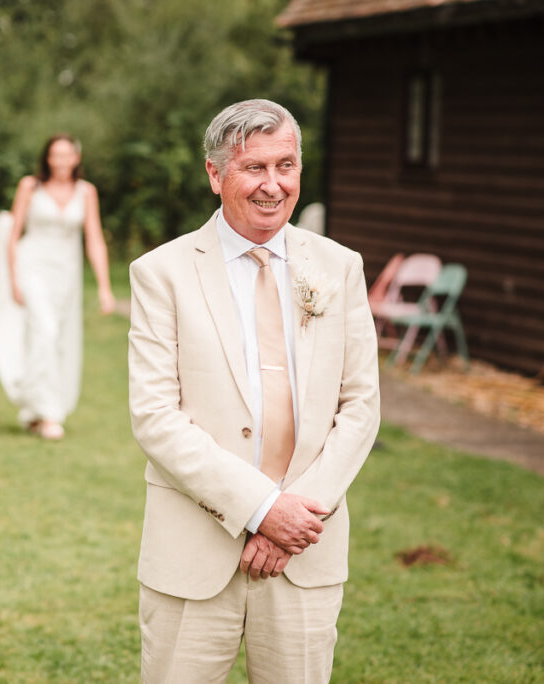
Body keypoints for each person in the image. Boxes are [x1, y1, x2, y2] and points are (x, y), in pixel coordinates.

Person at [127, 99, 380, 683]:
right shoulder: (161, 272)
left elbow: (361, 407)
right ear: (215, 175)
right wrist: (263, 509)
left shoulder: (339, 267)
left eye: (286, 166)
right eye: (254, 168)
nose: (274, 185)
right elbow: (156, 417)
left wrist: (296, 518)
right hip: (193, 553)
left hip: (304, 555)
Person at [0, 134, 115, 440]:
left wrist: (105, 287)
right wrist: (13, 278)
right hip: (32, 267)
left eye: (67, 155)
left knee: (57, 340)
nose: (61, 161)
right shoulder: (30, 186)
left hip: (66, 275)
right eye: (55, 155)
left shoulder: (86, 192)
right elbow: (13, 234)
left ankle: (32, 411)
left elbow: (94, 239)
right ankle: (48, 414)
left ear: (76, 158)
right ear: (47, 158)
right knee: (45, 331)